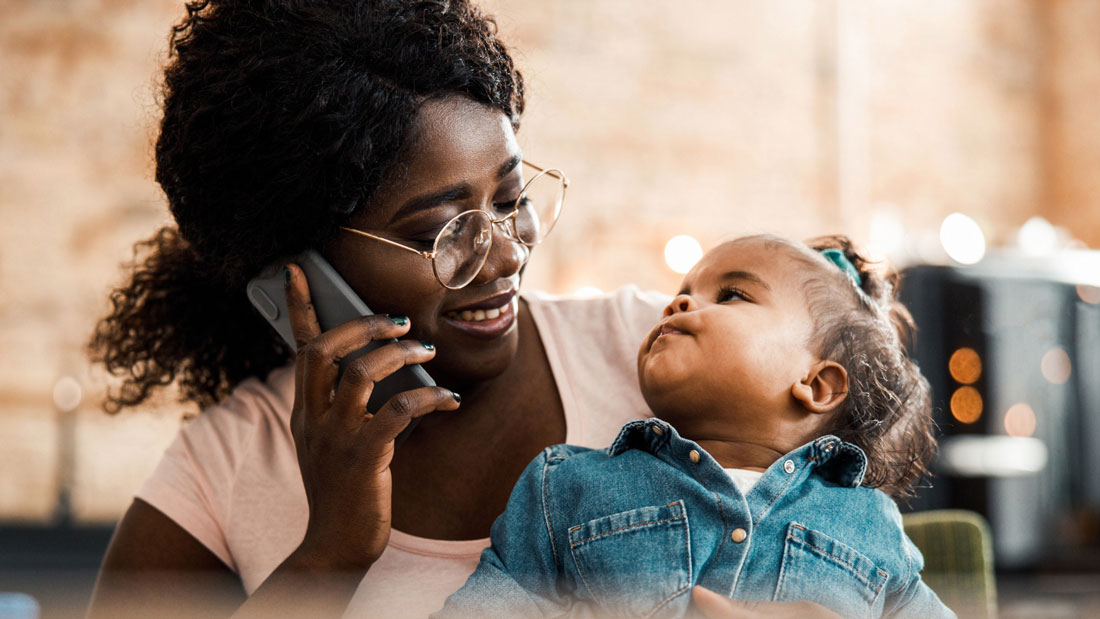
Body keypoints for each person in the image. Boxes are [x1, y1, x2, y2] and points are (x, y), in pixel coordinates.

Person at [84, 1, 846, 617]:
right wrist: (329, 557)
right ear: (297, 273)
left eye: (511, 201)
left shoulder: (666, 351)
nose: (509, 254)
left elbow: (864, 549)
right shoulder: (223, 471)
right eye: (443, 233)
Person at [436, 235, 954, 619]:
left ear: (817, 385)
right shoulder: (565, 485)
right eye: (683, 291)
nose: (679, 302)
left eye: (731, 295)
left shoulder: (870, 525)